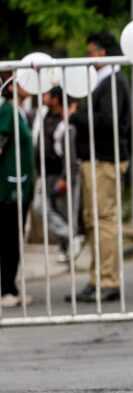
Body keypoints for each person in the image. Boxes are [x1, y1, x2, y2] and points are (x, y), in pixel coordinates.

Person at [66, 32, 131, 303]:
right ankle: (97, 279)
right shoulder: (104, 81)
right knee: (93, 221)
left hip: (105, 159)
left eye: (89, 51)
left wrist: (75, 116)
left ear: (102, 52)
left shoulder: (114, 81)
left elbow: (107, 120)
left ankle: (108, 280)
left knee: (104, 221)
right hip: (96, 159)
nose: (87, 56)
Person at [32, 87, 84, 264]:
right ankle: (71, 237)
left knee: (65, 212)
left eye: (47, 94)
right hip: (46, 173)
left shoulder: (66, 118)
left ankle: (68, 245)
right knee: (41, 207)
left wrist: (66, 178)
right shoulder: (43, 115)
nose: (43, 96)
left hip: (62, 174)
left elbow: (70, 151)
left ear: (55, 99)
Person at [0, 74, 36, 308]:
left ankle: (11, 286)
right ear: (12, 87)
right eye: (24, 81)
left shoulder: (19, 112)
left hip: (20, 187)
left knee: (14, 239)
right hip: (8, 188)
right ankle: (6, 289)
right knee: (9, 239)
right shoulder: (6, 111)